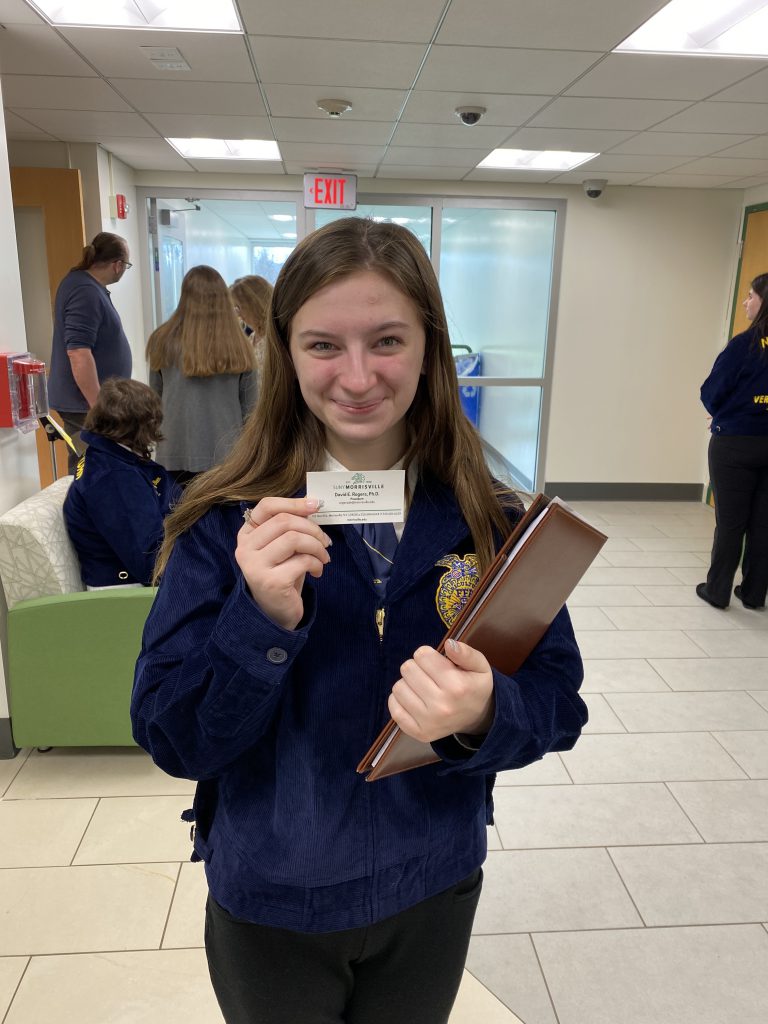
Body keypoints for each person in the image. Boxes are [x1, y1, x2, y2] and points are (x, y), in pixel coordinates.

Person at [131, 218, 587, 1024]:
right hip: (274, 900)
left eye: (386, 340)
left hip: (433, 884)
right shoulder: (220, 523)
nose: (358, 376)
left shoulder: (492, 521)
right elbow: (174, 737)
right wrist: (259, 621)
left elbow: (558, 703)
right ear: (283, 352)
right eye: (322, 346)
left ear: (429, 347)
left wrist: (483, 716)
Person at [146, 265, 257, 486]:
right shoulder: (240, 344)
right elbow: (251, 410)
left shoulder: (161, 340)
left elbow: (153, 402)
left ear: (184, 296)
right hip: (227, 457)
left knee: (176, 517)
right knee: (223, 520)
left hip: (173, 451)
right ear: (223, 298)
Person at [63, 378, 176, 588]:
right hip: (126, 591)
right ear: (141, 426)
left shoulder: (107, 457)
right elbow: (153, 565)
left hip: (133, 577)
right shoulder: (114, 477)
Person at [698, 273, 768, 610]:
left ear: (764, 301)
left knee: (730, 522)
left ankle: (718, 591)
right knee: (763, 523)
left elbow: (712, 391)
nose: (746, 301)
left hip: (736, 444)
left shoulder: (745, 344)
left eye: (751, 295)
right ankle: (754, 594)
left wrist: (722, 414)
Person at [48, 232, 133, 472]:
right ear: (117, 265)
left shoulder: (85, 285)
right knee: (90, 467)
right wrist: (98, 405)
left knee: (97, 465)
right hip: (83, 403)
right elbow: (78, 353)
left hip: (87, 401)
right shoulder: (84, 291)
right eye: (126, 265)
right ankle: (86, 509)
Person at [231, 273, 273, 393]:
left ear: (253, 305)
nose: (238, 314)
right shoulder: (251, 337)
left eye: (239, 307)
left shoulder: (275, 340)